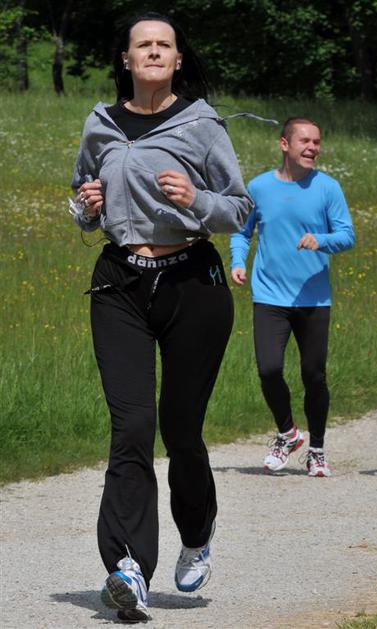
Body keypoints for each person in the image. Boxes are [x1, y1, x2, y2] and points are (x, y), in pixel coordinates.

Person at [70, 12, 251, 622]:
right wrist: (87, 207)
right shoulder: (100, 123)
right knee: (132, 426)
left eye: (163, 45)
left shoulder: (201, 124)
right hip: (119, 281)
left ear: (176, 59)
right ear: (126, 59)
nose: (153, 51)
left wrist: (195, 199)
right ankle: (128, 568)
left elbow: (239, 209)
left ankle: (196, 533)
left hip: (192, 285)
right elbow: (83, 200)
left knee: (180, 429)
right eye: (142, 44)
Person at [230, 117, 355, 478]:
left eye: (317, 142)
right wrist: (238, 261)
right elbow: (242, 231)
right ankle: (287, 433)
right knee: (268, 369)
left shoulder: (328, 188)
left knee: (314, 375)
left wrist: (322, 240)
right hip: (269, 295)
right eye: (305, 141)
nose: (313, 147)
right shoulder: (259, 187)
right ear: (284, 144)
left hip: (314, 298)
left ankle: (317, 450)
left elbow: (347, 235)